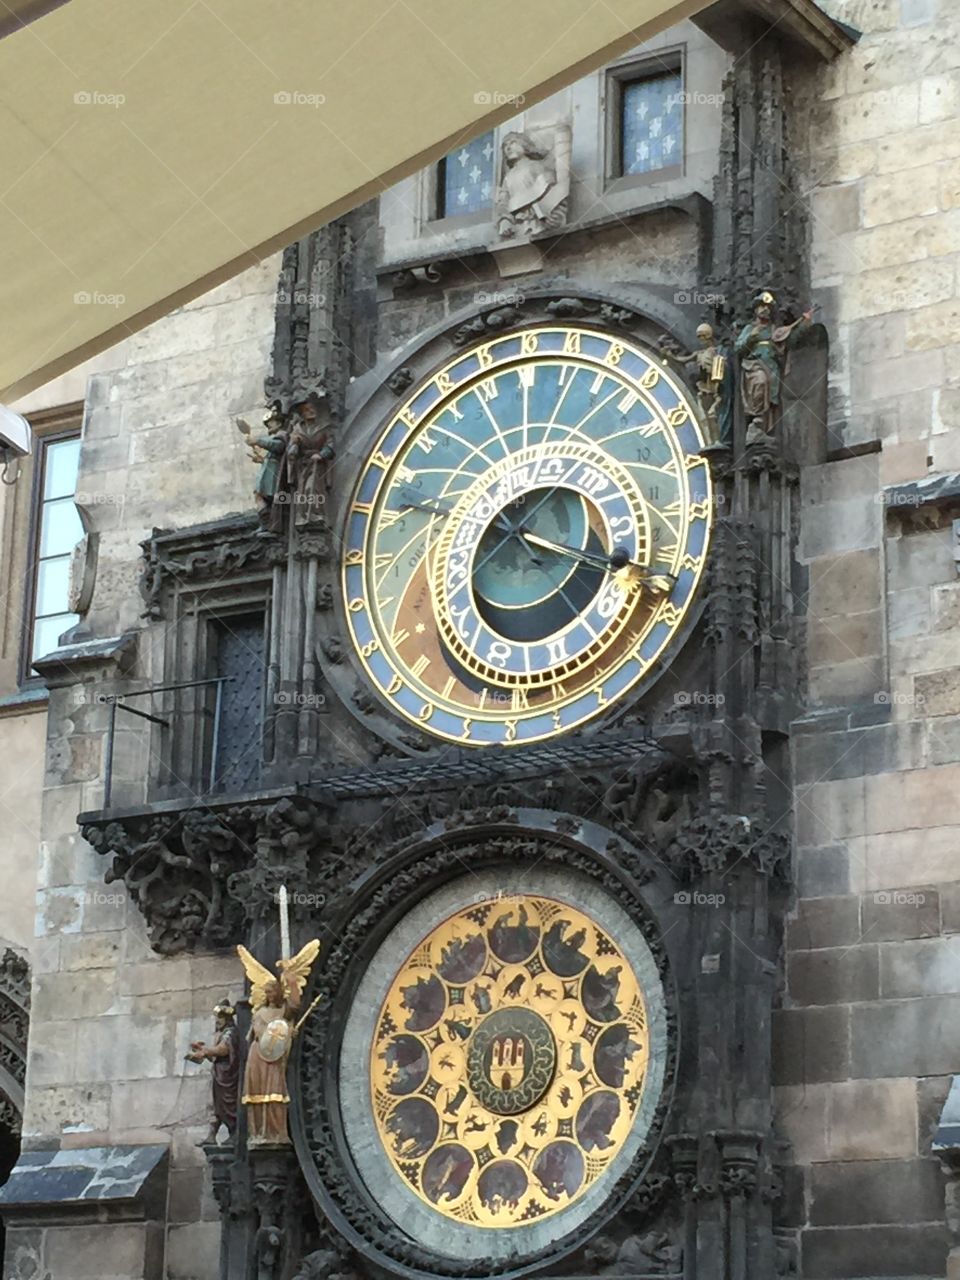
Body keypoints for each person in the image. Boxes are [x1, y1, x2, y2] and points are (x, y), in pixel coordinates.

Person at [735, 290, 813, 444]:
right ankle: (755, 424)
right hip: (755, 365)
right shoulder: (750, 329)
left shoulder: (773, 330)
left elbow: (790, 341)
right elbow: (738, 348)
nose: (765, 309)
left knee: (771, 397)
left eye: (768, 307)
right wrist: (751, 338)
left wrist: (804, 324)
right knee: (760, 383)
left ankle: (764, 429)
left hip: (772, 367)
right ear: (756, 309)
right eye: (762, 306)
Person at [185, 999, 240, 1144]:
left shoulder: (231, 1032)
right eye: (217, 1018)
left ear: (227, 1018)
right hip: (219, 1074)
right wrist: (203, 1051)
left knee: (228, 1105)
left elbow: (223, 1050)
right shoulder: (221, 1033)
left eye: (221, 1018)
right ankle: (211, 1136)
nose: (218, 1021)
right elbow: (215, 1056)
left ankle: (235, 1133)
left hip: (228, 1076)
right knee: (216, 1107)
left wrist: (205, 1051)